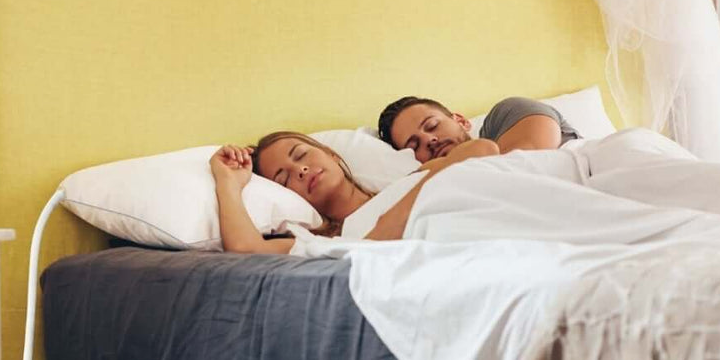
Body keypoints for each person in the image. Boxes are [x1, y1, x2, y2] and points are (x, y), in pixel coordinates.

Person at [210, 129, 502, 254]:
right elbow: (248, 248)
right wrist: (228, 182)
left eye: (301, 155)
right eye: (285, 179)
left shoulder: (407, 183)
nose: (300, 171)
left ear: (332, 155)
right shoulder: (323, 242)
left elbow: (482, 148)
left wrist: (383, 231)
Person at [378, 95, 579, 164]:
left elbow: (524, 166)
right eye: (414, 146)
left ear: (461, 121)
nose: (430, 140)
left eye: (432, 126)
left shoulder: (507, 112)